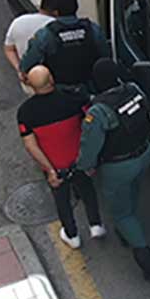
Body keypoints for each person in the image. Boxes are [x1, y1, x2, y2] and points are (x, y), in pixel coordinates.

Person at [78, 58, 150, 280]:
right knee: (132, 191)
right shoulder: (134, 90)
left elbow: (89, 146)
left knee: (121, 212)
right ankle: (129, 226)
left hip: (118, 166)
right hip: (144, 154)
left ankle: (144, 254)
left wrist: (85, 167)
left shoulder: (99, 112)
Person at [16, 66, 106, 249]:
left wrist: (49, 170)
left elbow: (30, 144)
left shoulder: (25, 112)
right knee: (87, 190)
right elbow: (90, 122)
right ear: (52, 79)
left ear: (32, 86)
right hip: (80, 159)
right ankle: (95, 224)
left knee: (62, 200)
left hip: (56, 167)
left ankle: (72, 235)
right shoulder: (73, 98)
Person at [20, 0, 108, 94]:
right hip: (91, 90)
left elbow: (27, 64)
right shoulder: (93, 29)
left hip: (60, 93)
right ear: (76, 8)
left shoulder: (46, 35)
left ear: (56, 12)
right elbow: (105, 56)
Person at [4, 0, 57, 93]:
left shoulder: (18, 22)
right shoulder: (54, 26)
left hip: (28, 82)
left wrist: (19, 69)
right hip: (52, 84)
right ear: (56, 12)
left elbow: (9, 49)